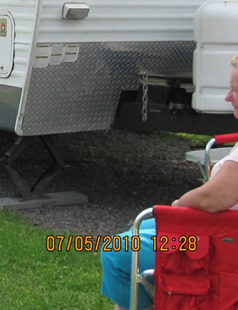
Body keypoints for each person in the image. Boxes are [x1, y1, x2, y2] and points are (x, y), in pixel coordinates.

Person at [101, 53, 238, 309]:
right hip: (216, 233)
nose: (228, 98)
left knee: (116, 253)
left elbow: (214, 198)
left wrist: (177, 207)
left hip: (219, 243)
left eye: (234, 90)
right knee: (136, 235)